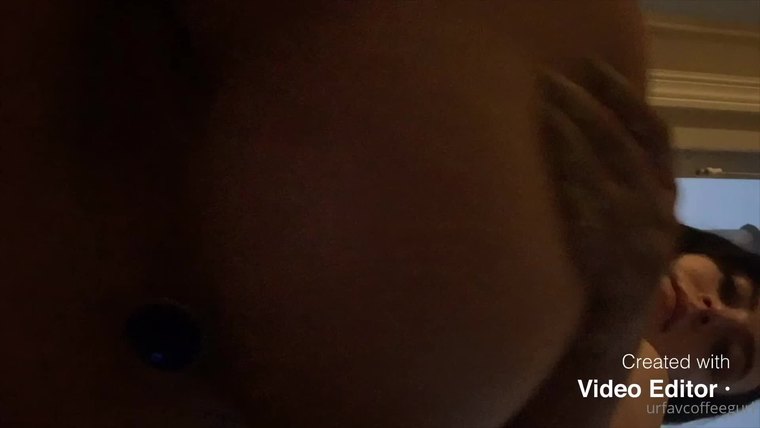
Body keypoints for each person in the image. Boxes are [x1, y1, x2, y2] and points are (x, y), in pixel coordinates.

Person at [1, 1, 677, 427]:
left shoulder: (639, 380)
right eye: (730, 293)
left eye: (726, 354)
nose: (711, 313)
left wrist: (617, 321)